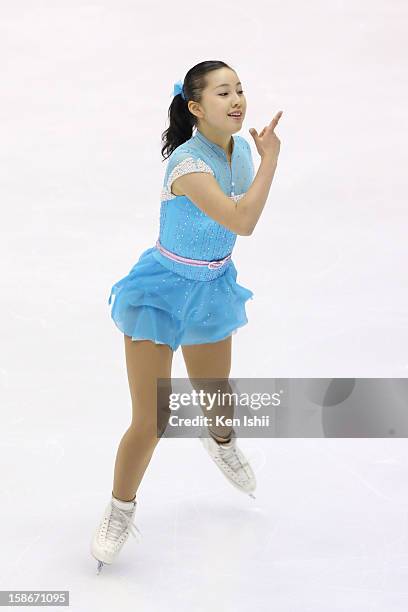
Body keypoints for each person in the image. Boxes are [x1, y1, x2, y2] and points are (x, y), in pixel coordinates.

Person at [90, 60, 282, 573]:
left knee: (217, 399)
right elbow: (243, 221)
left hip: (211, 289)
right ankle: (119, 508)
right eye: (223, 93)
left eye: (240, 88)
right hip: (160, 292)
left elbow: (239, 209)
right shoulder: (187, 166)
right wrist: (272, 163)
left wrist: (257, 159)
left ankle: (220, 441)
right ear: (196, 108)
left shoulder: (238, 150)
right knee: (152, 419)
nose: (237, 99)